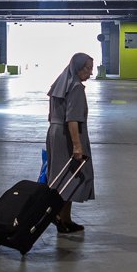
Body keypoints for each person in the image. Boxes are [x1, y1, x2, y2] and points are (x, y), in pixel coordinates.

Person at [46, 52, 95, 234]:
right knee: (69, 179)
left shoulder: (60, 83)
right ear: (77, 68)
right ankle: (59, 217)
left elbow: (51, 115)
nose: (90, 73)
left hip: (55, 132)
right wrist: (77, 145)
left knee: (63, 179)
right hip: (67, 136)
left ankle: (65, 219)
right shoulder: (75, 87)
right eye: (87, 68)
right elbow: (72, 119)